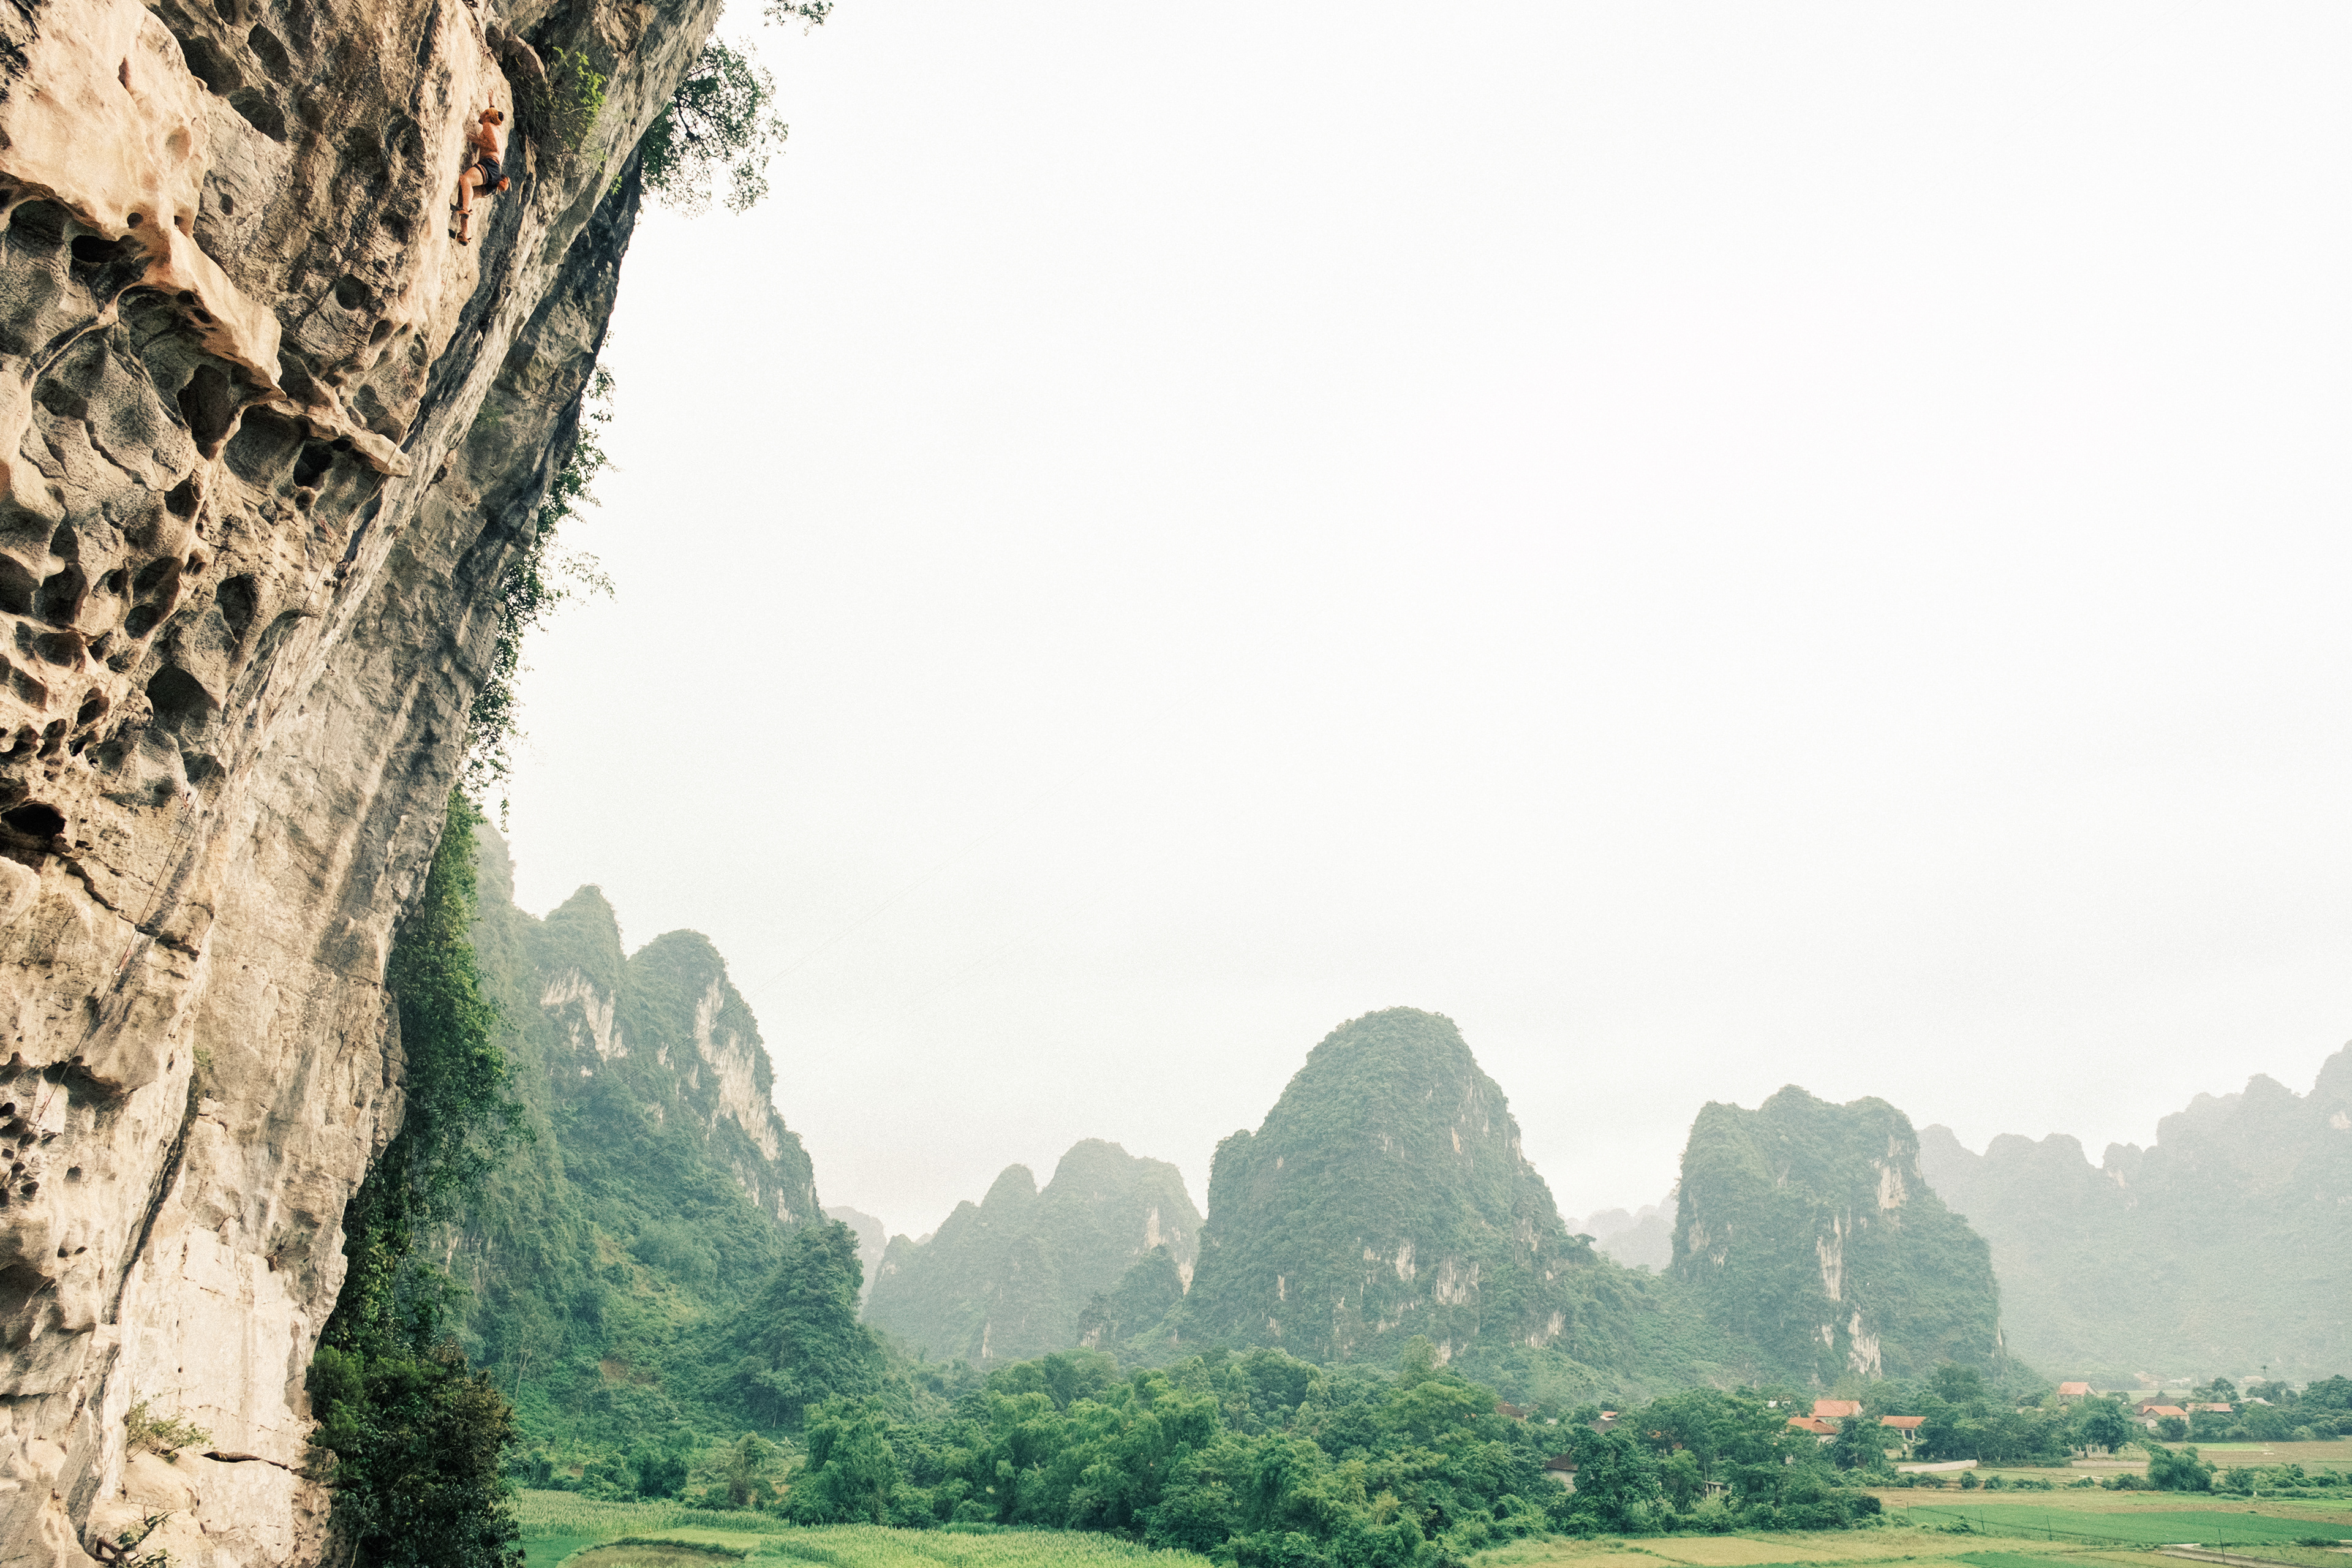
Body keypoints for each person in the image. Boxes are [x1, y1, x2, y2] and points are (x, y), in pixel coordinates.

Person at [450, 106, 510, 246]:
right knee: (463, 196)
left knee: (465, 180)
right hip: (495, 175)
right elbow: (495, 114)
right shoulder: (498, 130)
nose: (480, 115)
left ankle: (465, 209)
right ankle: (464, 234)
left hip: (490, 165)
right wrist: (491, 101)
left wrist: (473, 139)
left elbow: (493, 146)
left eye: (483, 113)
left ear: (488, 116)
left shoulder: (488, 125)